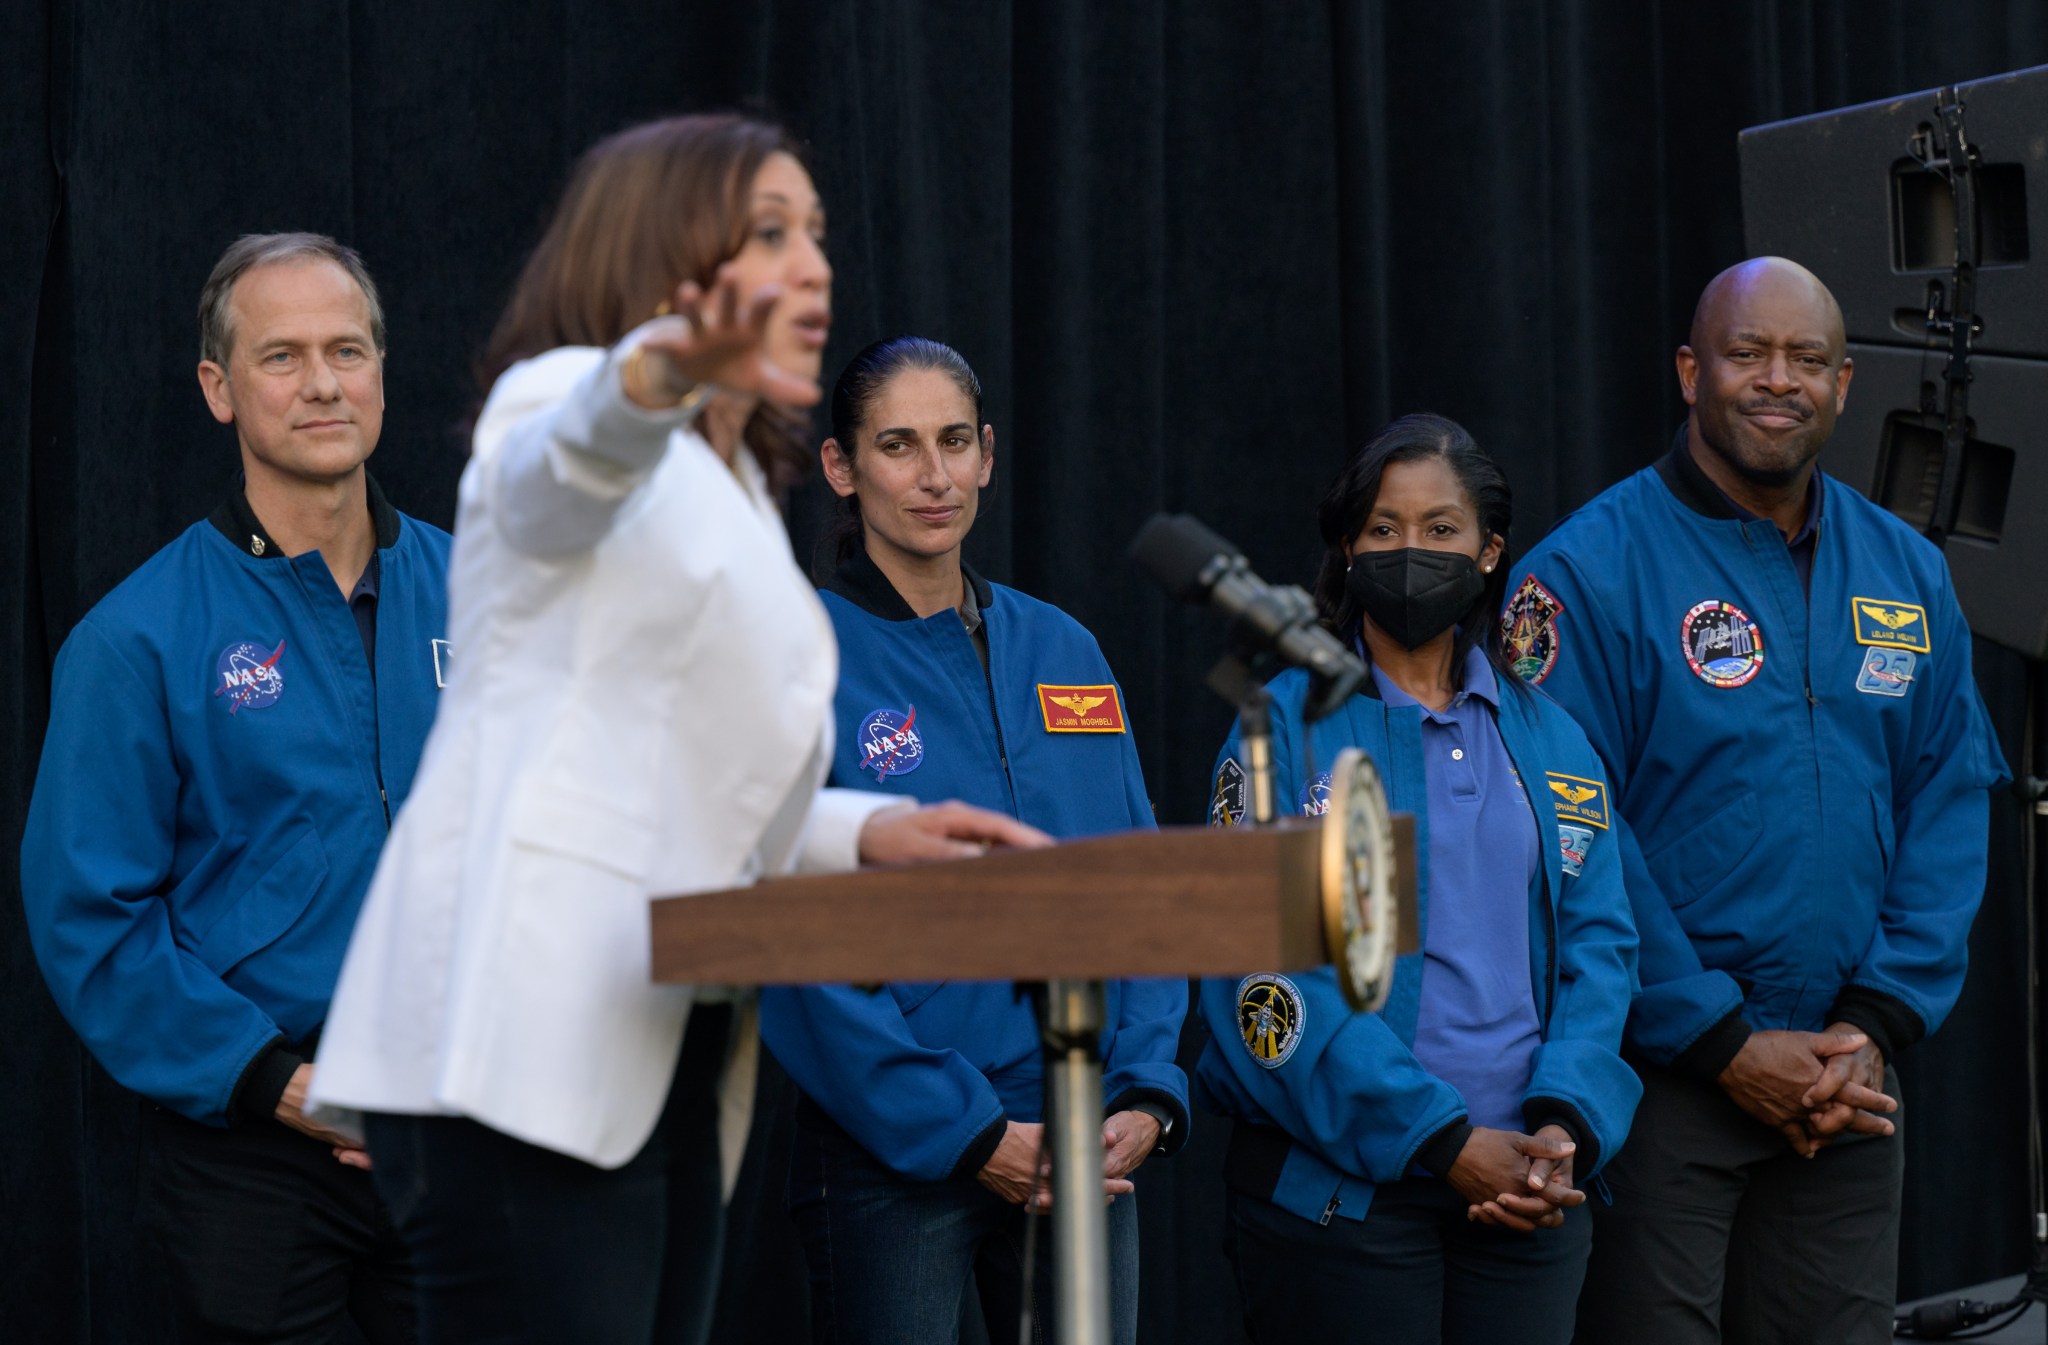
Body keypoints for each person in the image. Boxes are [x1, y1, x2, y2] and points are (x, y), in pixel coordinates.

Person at [305, 116, 1043, 1345]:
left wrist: (868, 830)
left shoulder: (737, 494)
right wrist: (657, 365)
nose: (809, 262)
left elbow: (689, 778)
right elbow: (563, 463)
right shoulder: (563, 409)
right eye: (769, 233)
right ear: (667, 262)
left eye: (815, 232)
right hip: (521, 1047)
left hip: (672, 1040)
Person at [1503, 257, 2010, 1345]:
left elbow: (1948, 800)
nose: (1774, 380)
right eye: (1745, 353)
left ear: (1841, 385)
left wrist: (1869, 1023)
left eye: (1804, 359)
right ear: (1690, 372)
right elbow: (1567, 832)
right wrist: (1720, 1037)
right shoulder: (1584, 573)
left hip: (1843, 1083)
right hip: (1657, 1080)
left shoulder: (1905, 574)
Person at [20, 232, 442, 1343]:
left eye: (346, 350)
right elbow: (88, 918)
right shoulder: (137, 639)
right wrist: (290, 1086)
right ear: (219, 388)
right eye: (281, 356)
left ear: (382, 371)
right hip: (251, 1165)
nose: (321, 385)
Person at [757, 337, 1190, 1344]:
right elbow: (788, 938)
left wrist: (1146, 1089)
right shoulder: (790, 658)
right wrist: (965, 1129)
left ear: (988, 453)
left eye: (954, 441)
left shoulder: (1063, 650)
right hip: (892, 1152)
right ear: (839, 466)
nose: (934, 475)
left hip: (1087, 1138)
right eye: (899, 446)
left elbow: (1138, 885)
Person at [1194, 413, 1640, 1345]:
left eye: (1441, 529)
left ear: (1489, 550)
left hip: (1529, 1192)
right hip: (1348, 1207)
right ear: (1348, 549)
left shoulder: (1550, 737)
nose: (1411, 550)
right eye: (1384, 529)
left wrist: (1565, 1126)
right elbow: (1262, 975)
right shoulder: (1284, 728)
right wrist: (1440, 1141)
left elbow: (1601, 947)